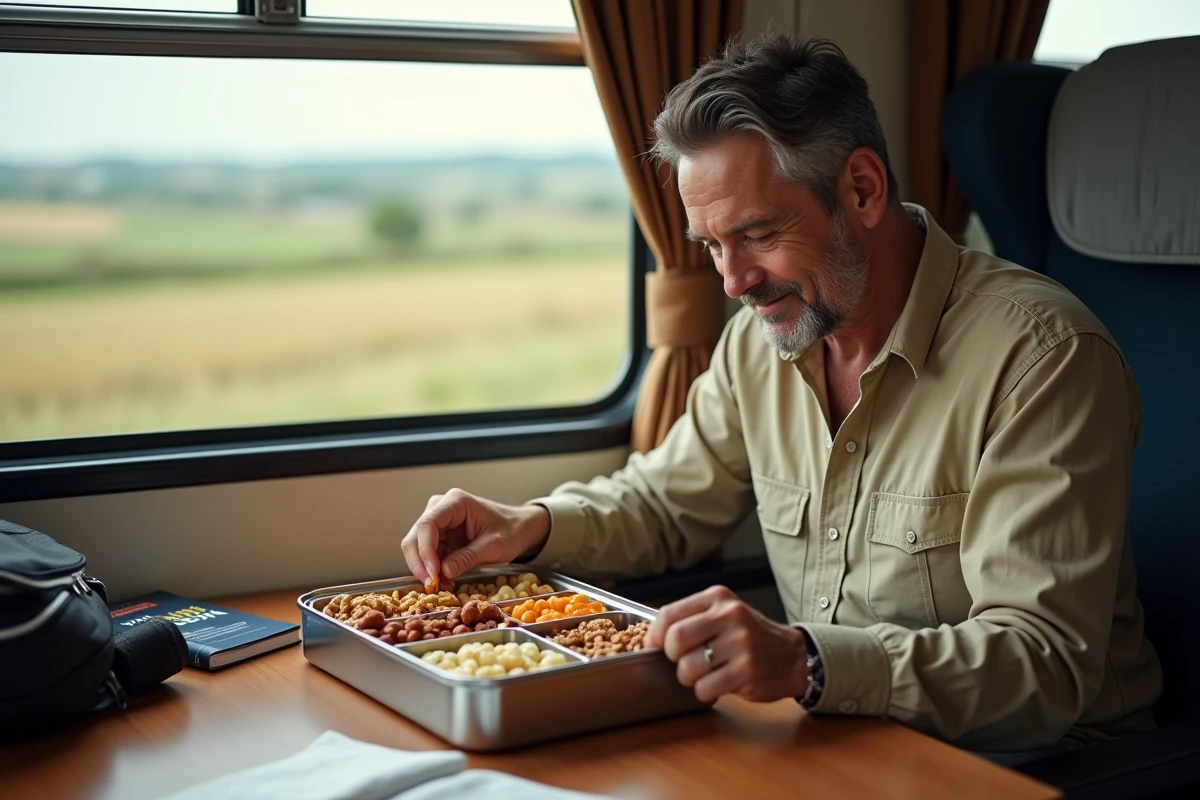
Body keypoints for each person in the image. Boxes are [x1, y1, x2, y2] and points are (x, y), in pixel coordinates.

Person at [400, 34, 1161, 756]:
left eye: (758, 235)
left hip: (1035, 764)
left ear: (861, 190)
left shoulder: (1042, 357)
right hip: (841, 738)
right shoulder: (759, 343)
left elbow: (1042, 662)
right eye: (711, 245)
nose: (733, 281)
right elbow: (665, 503)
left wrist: (805, 661)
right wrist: (528, 524)